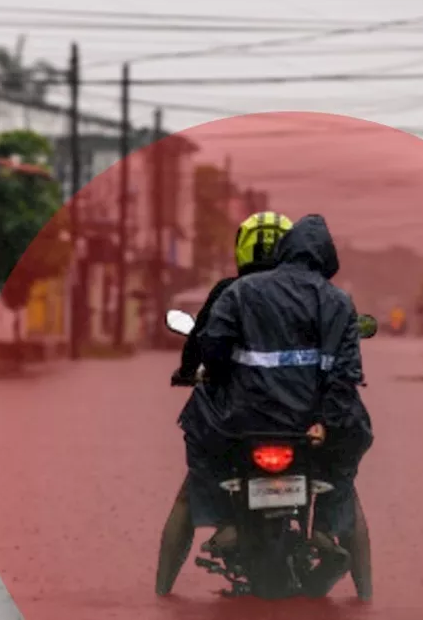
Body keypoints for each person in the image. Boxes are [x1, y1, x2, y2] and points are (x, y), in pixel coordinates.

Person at [197, 214, 374, 598]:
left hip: (244, 421)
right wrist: (325, 423)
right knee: (354, 443)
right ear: (327, 257)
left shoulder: (242, 291)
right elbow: (346, 375)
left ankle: (225, 521)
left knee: (202, 437)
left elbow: (212, 349)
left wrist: (224, 379)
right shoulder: (340, 302)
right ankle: (326, 527)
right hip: (310, 428)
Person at [155, 211, 293, 596]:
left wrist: (189, 371)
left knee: (190, 491)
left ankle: (162, 592)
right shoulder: (307, 295)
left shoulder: (229, 292)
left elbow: (203, 342)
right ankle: (331, 537)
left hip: (233, 419)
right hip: (300, 417)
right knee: (339, 485)